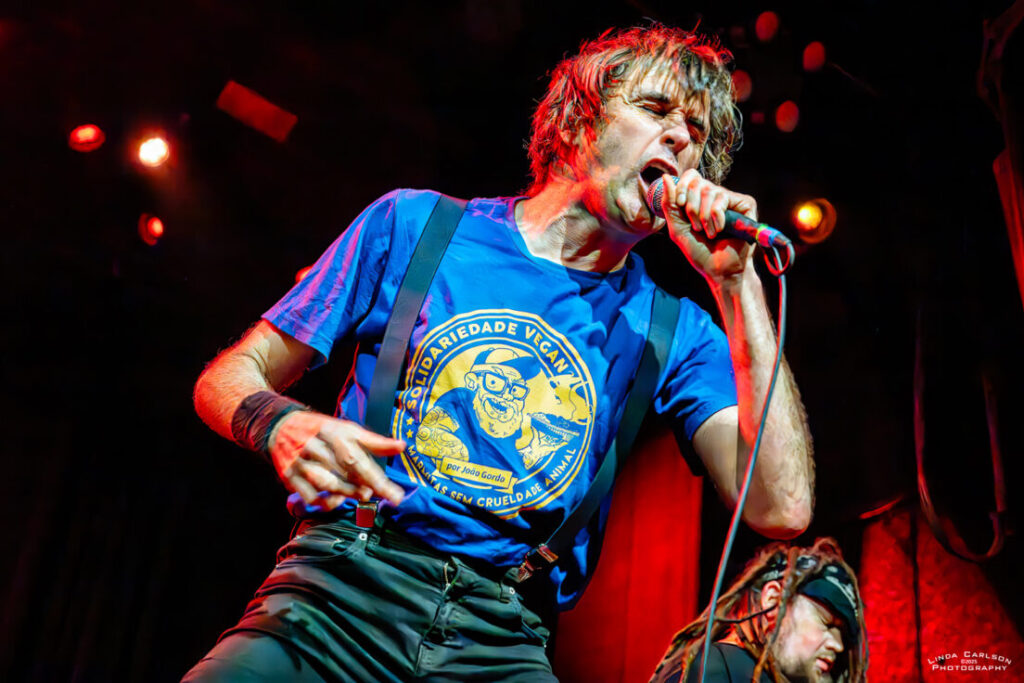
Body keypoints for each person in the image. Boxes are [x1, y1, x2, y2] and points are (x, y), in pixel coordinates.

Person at [186, 23, 814, 682]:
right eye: (657, 110)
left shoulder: (673, 326)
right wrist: (279, 422)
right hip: (340, 594)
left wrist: (737, 284)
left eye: (697, 132)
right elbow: (229, 376)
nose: (682, 139)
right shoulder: (416, 225)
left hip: (500, 635)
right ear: (577, 125)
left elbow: (781, 508)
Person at [650, 538, 868, 683]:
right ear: (773, 600)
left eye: (842, 635)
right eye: (827, 623)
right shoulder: (717, 669)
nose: (838, 645)